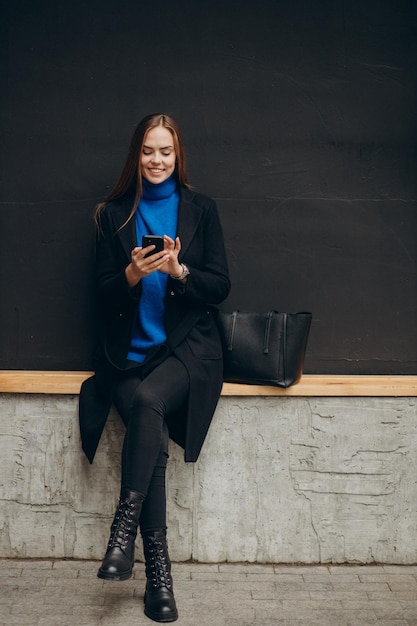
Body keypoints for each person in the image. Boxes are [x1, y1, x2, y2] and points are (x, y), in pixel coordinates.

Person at [79, 113, 230, 623]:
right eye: (148, 150)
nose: (157, 160)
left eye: (166, 151)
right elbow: (98, 296)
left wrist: (179, 272)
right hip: (128, 359)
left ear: (178, 155)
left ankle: (122, 534)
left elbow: (220, 287)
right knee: (151, 430)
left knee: (149, 402)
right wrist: (129, 273)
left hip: (188, 351)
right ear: (136, 156)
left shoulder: (201, 210)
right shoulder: (113, 213)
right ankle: (157, 575)